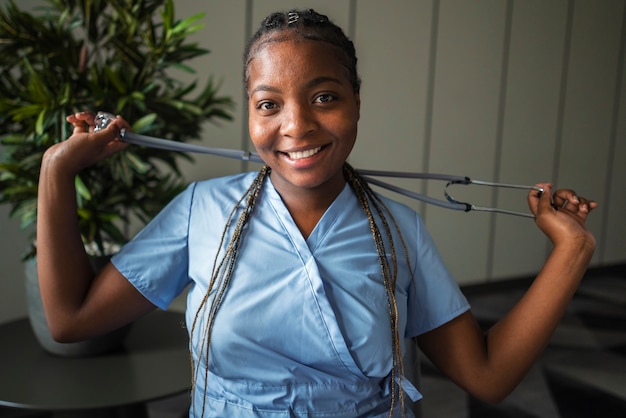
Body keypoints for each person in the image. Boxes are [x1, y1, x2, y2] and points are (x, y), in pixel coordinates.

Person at [37, 8, 597, 418]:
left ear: (357, 102)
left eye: (324, 97)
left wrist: (572, 251)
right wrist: (56, 172)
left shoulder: (400, 231)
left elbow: (489, 377)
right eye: (269, 104)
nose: (296, 126)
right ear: (251, 114)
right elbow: (71, 319)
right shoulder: (200, 211)